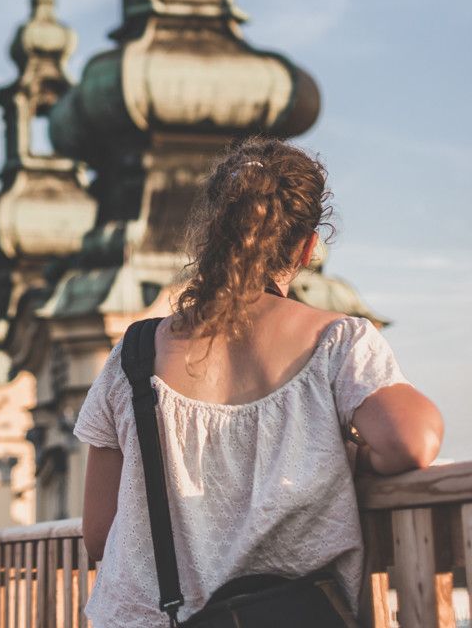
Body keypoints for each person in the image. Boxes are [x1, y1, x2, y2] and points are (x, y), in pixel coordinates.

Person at [74, 137, 443, 626]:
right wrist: (350, 460)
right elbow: (410, 442)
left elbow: (100, 535)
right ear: (309, 246)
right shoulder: (337, 342)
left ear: (211, 233)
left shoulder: (134, 356)